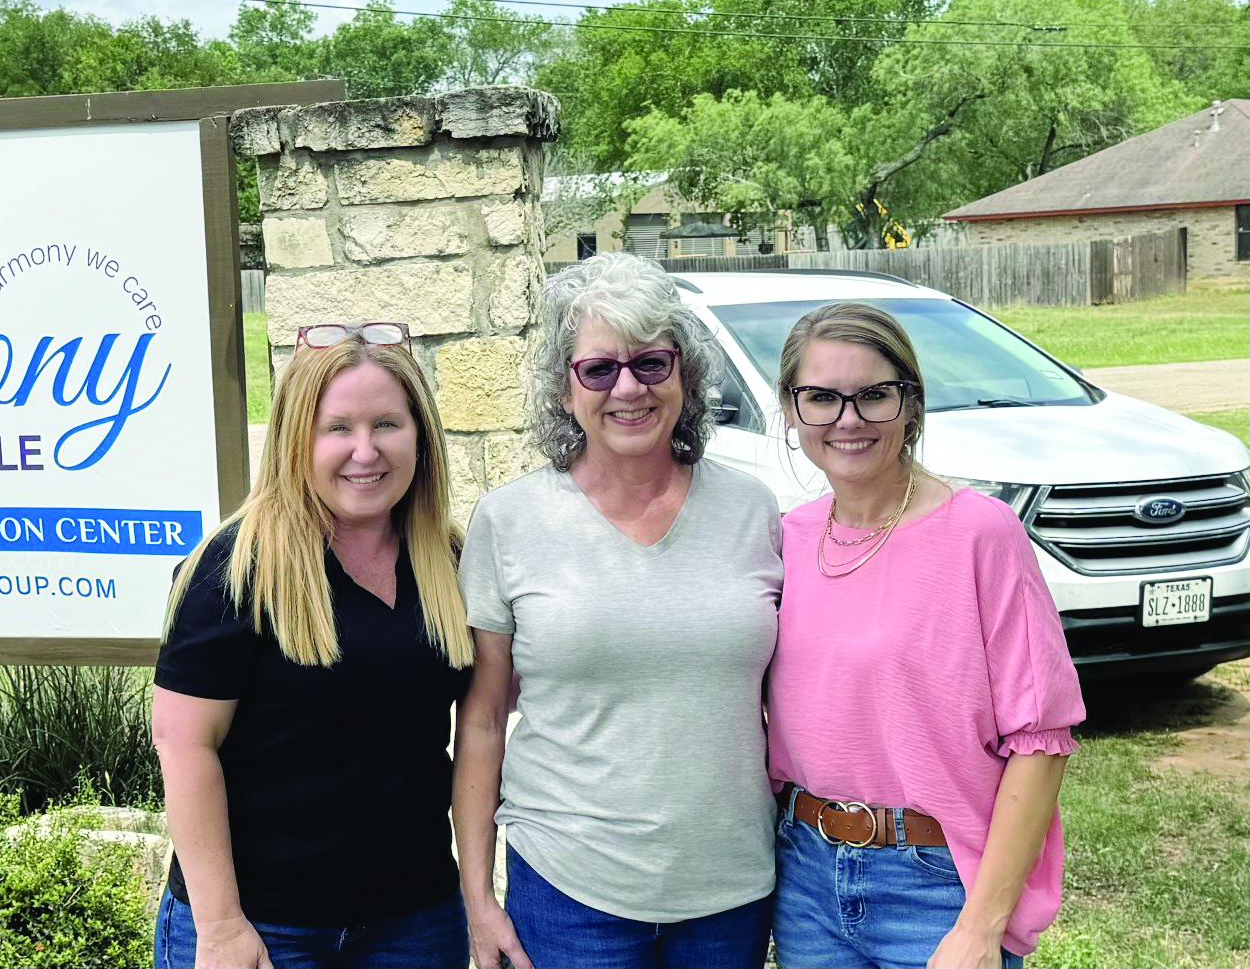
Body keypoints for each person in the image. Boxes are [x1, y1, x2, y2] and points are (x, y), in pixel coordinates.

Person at [453, 253, 784, 969]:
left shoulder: (754, 511)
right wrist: (478, 897)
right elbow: (480, 720)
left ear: (686, 375)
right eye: (599, 369)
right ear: (564, 390)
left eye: (652, 363)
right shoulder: (509, 522)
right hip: (570, 890)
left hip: (728, 891)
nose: (628, 387)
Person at [767, 302, 1085, 969]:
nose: (847, 419)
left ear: (911, 405)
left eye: (873, 395)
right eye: (821, 397)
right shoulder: (786, 540)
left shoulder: (981, 535)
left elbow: (1042, 742)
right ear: (792, 411)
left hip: (936, 886)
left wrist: (981, 925)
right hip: (807, 880)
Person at [151, 321, 475, 969]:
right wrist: (219, 926)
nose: (366, 450)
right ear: (298, 438)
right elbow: (184, 742)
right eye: (338, 428)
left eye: (387, 424)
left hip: (415, 920)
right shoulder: (238, 567)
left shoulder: (449, 559)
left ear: (421, 436)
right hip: (265, 927)